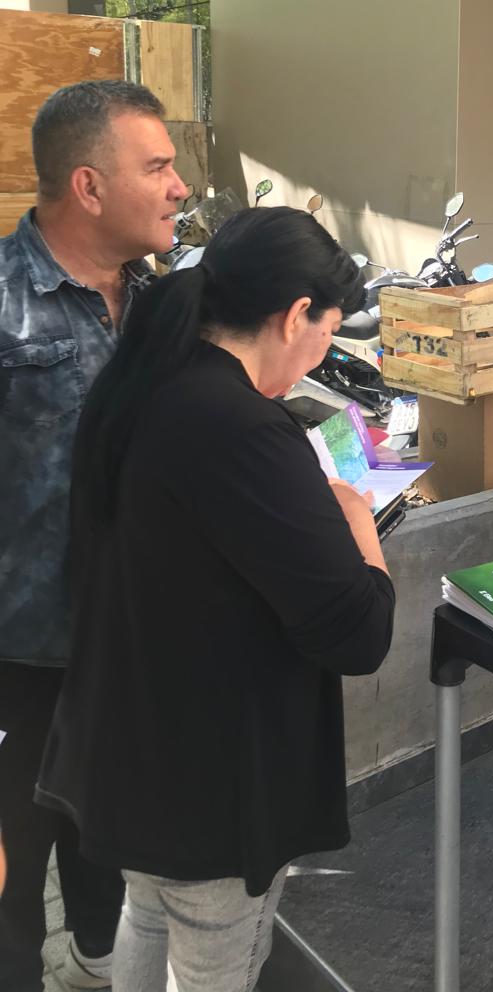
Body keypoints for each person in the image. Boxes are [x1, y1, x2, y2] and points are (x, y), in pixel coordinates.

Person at [35, 205, 396, 992]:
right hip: (211, 775)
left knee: (147, 913)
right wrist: (359, 526)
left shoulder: (145, 381)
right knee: (213, 959)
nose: (322, 354)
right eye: (329, 332)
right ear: (295, 315)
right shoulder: (241, 426)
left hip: (135, 745)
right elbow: (358, 632)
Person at [0, 80, 188, 989]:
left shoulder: (159, 304)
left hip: (127, 645)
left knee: (105, 843)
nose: (180, 187)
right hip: (20, 655)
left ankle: (95, 963)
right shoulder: (5, 303)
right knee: (10, 876)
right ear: (89, 185)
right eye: (158, 167)